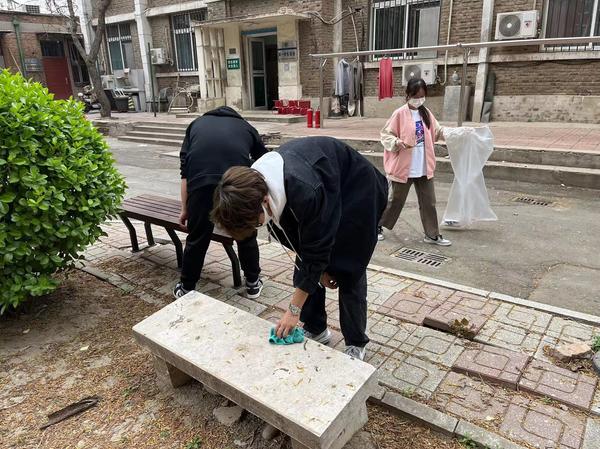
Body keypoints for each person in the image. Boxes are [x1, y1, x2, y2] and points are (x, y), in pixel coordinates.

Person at [210, 137, 388, 361]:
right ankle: (316, 327)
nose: (256, 227)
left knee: (349, 270)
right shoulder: (252, 187)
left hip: (357, 191)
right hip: (323, 185)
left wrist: (293, 311)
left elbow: (318, 246)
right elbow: (305, 249)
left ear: (265, 200)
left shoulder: (305, 189)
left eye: (255, 223)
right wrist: (318, 272)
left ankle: (355, 342)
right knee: (305, 268)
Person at [173, 106, 268, 300]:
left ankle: (186, 287)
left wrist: (185, 209)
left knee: (197, 237)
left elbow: (185, 173)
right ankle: (252, 283)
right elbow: (265, 161)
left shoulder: (195, 125)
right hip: (236, 186)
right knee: (245, 233)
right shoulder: (246, 127)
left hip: (201, 184)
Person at [377, 78, 451, 246]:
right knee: (395, 201)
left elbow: (437, 131)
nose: (419, 100)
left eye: (422, 96)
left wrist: (452, 134)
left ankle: (432, 235)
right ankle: (377, 226)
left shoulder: (426, 113)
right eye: (416, 96)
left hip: (424, 165)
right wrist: (397, 142)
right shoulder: (399, 114)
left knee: (429, 202)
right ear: (408, 95)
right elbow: (386, 134)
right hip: (404, 166)